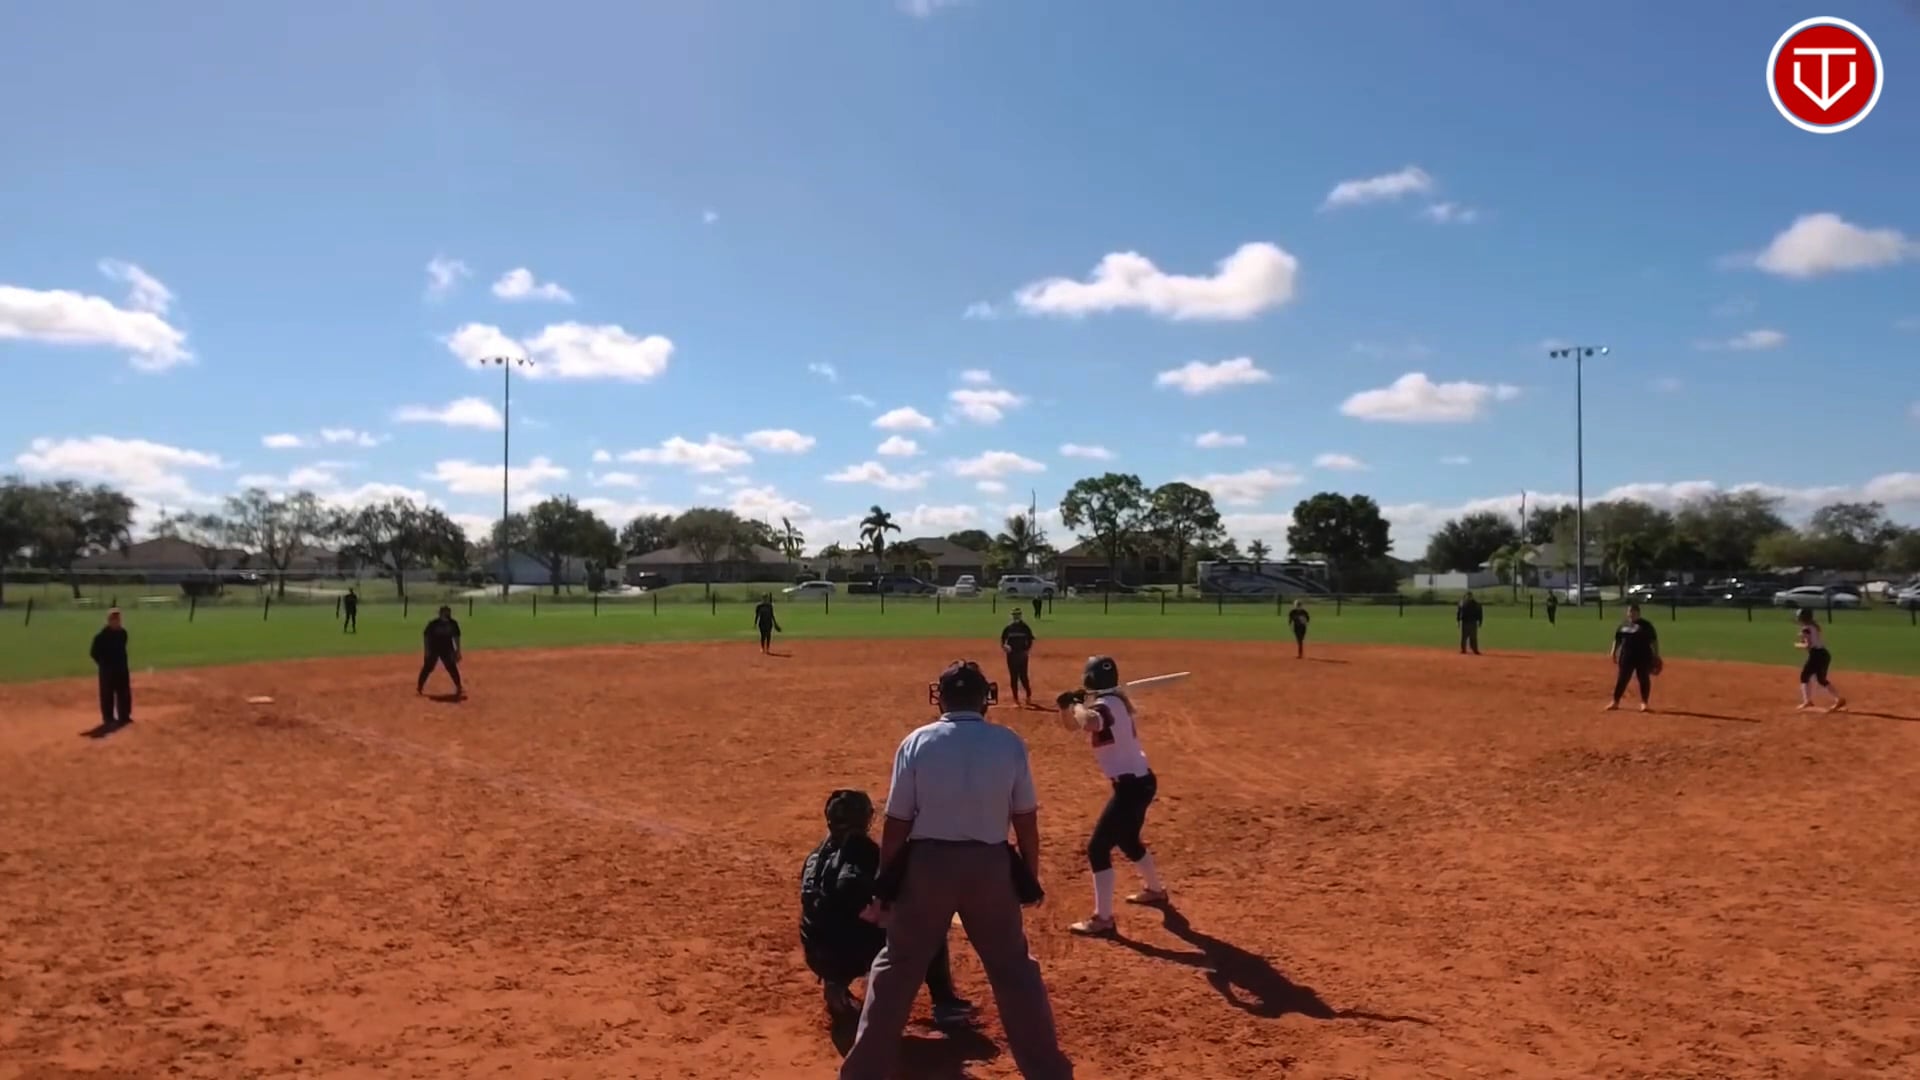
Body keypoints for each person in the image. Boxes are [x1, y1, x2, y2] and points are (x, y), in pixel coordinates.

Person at [839, 660, 1072, 1080]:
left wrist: (886, 884)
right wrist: (1028, 876)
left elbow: (897, 823)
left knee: (897, 968)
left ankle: (864, 1073)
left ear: (941, 697)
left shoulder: (917, 742)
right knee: (1014, 970)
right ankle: (1047, 1073)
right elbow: (1025, 819)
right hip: (991, 866)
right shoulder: (1009, 743)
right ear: (985, 697)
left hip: (927, 866)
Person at [799, 789, 974, 1025]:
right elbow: (849, 888)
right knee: (929, 928)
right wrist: (885, 917)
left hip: (815, 953)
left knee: (839, 922)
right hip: (845, 954)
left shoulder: (816, 855)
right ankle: (945, 1004)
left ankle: (836, 983)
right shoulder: (861, 851)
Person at [1056, 655, 1167, 938]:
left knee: (1097, 849)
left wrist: (1078, 704)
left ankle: (1103, 919)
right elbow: (1074, 724)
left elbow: (1090, 722)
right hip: (1139, 784)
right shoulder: (1113, 702)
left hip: (1132, 788)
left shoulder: (1106, 705)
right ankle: (1155, 890)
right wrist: (1066, 707)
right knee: (1128, 840)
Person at [1792, 607, 1847, 712]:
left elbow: (1808, 645)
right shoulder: (1814, 626)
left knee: (1804, 676)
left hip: (1816, 655)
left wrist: (1797, 645)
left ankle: (1807, 701)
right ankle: (1838, 699)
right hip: (1823, 654)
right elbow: (1813, 639)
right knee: (1821, 679)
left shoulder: (1806, 629)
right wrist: (1803, 637)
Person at [1606, 603, 1659, 712]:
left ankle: (1644, 703)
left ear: (1638, 613)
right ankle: (1615, 702)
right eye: (1630, 612)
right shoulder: (1623, 625)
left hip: (1643, 656)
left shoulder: (1646, 625)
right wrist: (1613, 652)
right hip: (1626, 656)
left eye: (1634, 612)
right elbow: (1617, 640)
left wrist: (1656, 654)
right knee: (1622, 679)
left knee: (1643, 678)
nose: (1631, 614)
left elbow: (1654, 641)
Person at [89, 608, 133, 730]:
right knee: (107, 694)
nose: (116, 621)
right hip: (107, 670)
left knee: (124, 692)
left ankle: (124, 716)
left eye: (118, 619)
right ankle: (108, 718)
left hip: (121, 668)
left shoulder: (123, 633)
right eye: (114, 619)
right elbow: (93, 653)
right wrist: (103, 665)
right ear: (109, 621)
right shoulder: (101, 637)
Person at [418, 605, 464, 696]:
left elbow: (456, 637)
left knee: (451, 667)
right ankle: (420, 686)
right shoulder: (433, 624)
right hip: (434, 648)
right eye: (444, 613)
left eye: (448, 613)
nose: (447, 615)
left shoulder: (453, 624)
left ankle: (458, 686)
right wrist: (427, 650)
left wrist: (457, 651)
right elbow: (426, 636)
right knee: (428, 667)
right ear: (440, 614)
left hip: (447, 648)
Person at [1000, 609, 1035, 705]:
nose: (1016, 616)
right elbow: (1003, 640)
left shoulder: (1025, 627)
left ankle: (1028, 695)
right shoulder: (1008, 628)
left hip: (1022, 655)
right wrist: (1004, 646)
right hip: (1011, 656)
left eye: (1018, 615)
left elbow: (1030, 640)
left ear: (1020, 616)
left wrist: (1027, 650)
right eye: (1014, 615)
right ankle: (1015, 698)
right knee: (1013, 677)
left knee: (1023, 676)